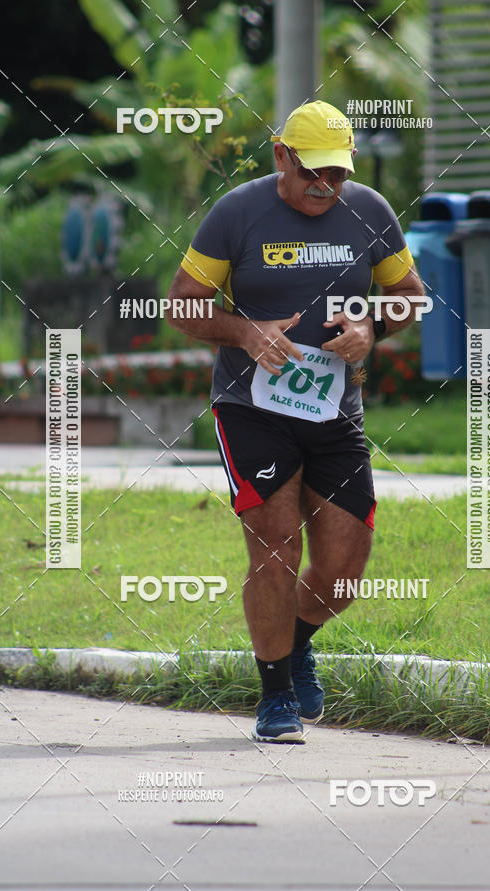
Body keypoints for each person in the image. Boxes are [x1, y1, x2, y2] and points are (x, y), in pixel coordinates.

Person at [168, 100, 424, 743]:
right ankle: (275, 691)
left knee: (342, 571)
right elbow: (181, 305)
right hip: (252, 407)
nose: (324, 186)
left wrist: (375, 326)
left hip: (335, 409)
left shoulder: (368, 211)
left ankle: (297, 641)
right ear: (281, 156)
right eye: (312, 171)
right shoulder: (238, 213)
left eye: (336, 175)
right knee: (276, 543)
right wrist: (245, 331)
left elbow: (411, 297)